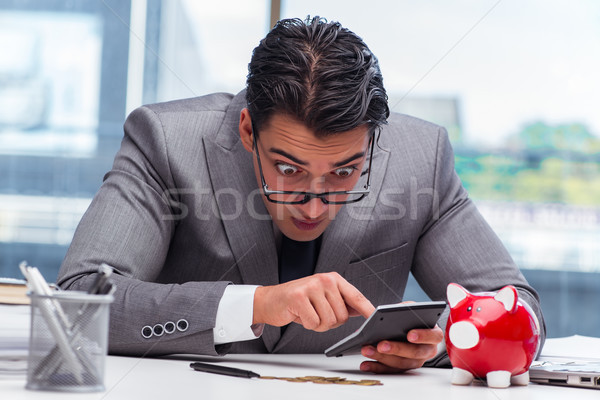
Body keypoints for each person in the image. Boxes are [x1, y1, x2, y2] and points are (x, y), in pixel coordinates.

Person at [57, 16, 545, 373]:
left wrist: (444, 345)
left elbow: (519, 307)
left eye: (344, 172)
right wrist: (255, 305)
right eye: (288, 168)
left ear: (373, 141)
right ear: (248, 130)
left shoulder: (424, 156)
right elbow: (78, 304)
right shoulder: (164, 140)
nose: (313, 205)